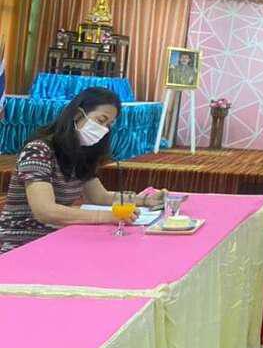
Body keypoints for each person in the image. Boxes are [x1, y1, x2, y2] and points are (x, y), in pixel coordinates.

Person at [0, 87, 167, 254]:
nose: (104, 129)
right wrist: (107, 217)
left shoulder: (80, 153)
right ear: (77, 114)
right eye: (101, 120)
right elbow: (45, 211)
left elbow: (100, 196)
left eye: (109, 125)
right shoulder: (38, 151)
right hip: (22, 242)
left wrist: (145, 200)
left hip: (57, 236)